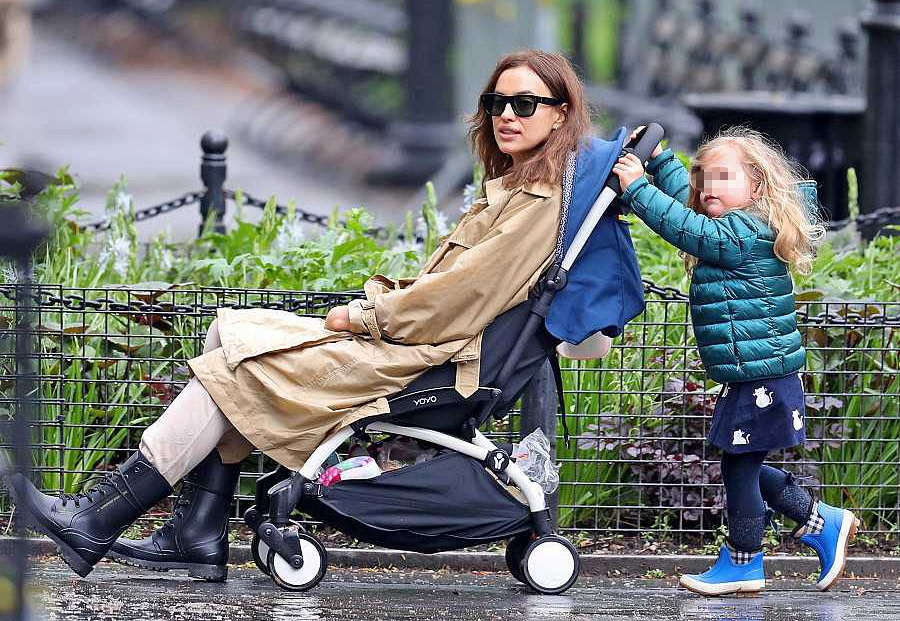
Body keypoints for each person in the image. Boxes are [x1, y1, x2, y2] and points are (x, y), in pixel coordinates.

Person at [9, 50, 590, 581]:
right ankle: (197, 531)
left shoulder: (537, 205)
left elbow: (456, 300)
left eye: (525, 105)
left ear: (560, 116)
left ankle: (98, 515)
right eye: (496, 103)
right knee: (229, 331)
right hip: (412, 344)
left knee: (236, 369)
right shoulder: (512, 188)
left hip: (425, 360)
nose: (506, 116)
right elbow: (450, 293)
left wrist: (365, 315)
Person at [612, 125, 859, 596]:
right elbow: (690, 209)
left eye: (724, 177)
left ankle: (746, 563)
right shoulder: (735, 224)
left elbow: (684, 227)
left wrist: (638, 188)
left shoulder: (743, 231)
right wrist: (662, 161)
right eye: (703, 177)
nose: (709, 187)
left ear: (757, 186)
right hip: (755, 372)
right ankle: (819, 521)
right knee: (739, 464)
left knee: (738, 466)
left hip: (762, 375)